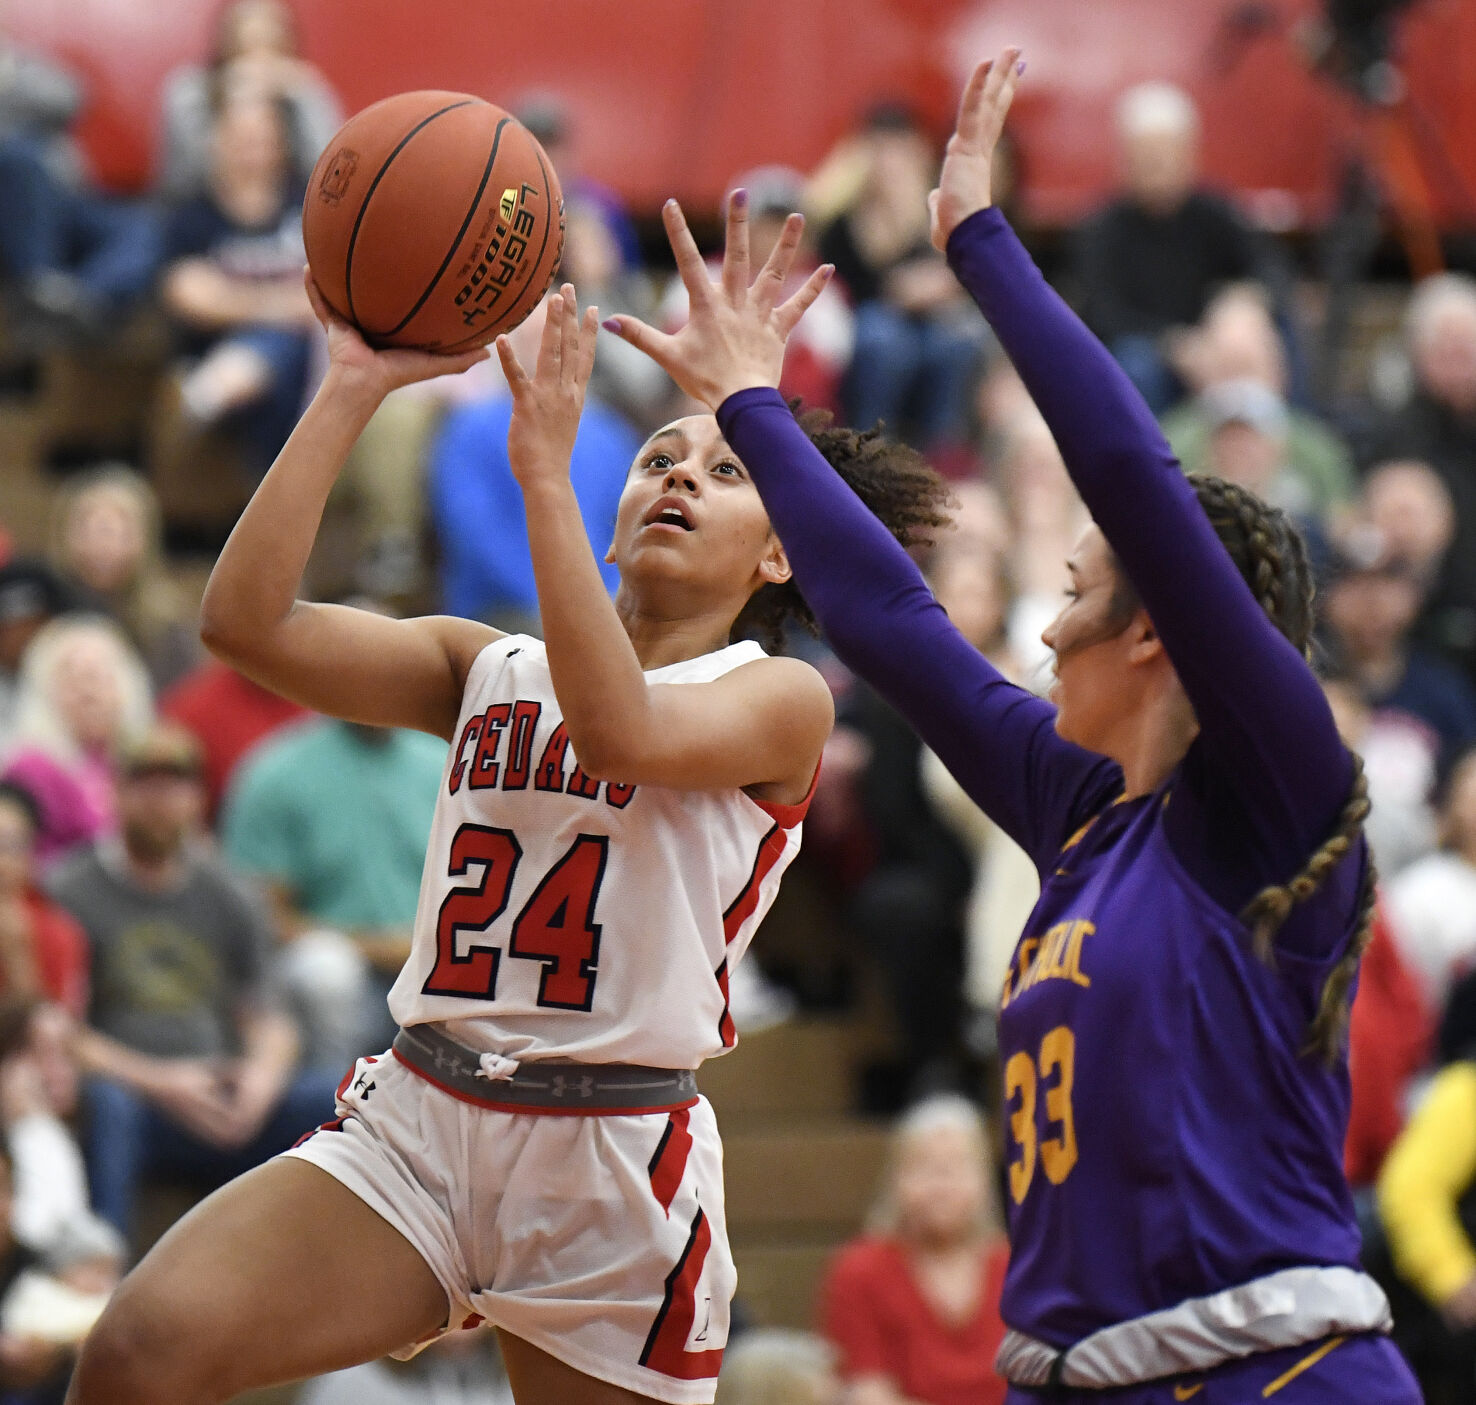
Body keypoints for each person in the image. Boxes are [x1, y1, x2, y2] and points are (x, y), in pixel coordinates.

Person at [604, 50, 1421, 1401]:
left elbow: (1126, 469)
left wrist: (983, 244)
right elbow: (888, 623)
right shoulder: (1085, 814)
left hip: (1277, 1373)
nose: (1040, 634)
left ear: (1158, 629)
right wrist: (751, 400)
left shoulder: (1276, 800)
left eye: (1075, 596)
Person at [66, 232, 945, 1404]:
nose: (678, 477)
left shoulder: (775, 700)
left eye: (728, 474)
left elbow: (619, 729)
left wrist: (544, 481)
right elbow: (244, 623)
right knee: (135, 1353)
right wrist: (352, 389)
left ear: (783, 554)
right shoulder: (481, 663)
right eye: (656, 458)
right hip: (422, 1117)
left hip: (610, 1162)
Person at [47, 724, 331, 1239]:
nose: (161, 802)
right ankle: (101, 1270)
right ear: (115, 792)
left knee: (334, 1097)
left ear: (198, 798)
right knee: (110, 1107)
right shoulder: (71, 889)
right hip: (134, 1096)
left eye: (175, 786)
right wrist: (159, 1081)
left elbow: (269, 1014)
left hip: (222, 1095)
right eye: (145, 785)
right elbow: (60, 1029)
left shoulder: (230, 891)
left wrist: (260, 1081)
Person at [1068, 81, 1275, 414]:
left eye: (1166, 153)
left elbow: (1267, 269)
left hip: (1212, 341)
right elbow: (1103, 314)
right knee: (1136, 363)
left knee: (1269, 331)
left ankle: (1291, 443)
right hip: (1148, 349)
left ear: (1189, 154)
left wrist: (1240, 303)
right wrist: (1175, 343)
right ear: (1124, 159)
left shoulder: (1216, 213)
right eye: (1145, 155)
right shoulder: (1102, 228)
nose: (1156, 165)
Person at [818, 1095, 1009, 1405]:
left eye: (956, 1166)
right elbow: (865, 1393)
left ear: (984, 1179)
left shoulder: (1016, 1269)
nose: (941, 1184)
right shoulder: (857, 1270)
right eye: (925, 1166)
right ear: (895, 1178)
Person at [155, 0, 343, 201]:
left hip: (288, 211)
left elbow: (334, 174)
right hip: (207, 214)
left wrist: (303, 93)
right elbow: (180, 179)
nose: (257, 65)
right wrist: (226, 96)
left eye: (271, 48)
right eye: (244, 49)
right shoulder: (191, 91)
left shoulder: (301, 93)